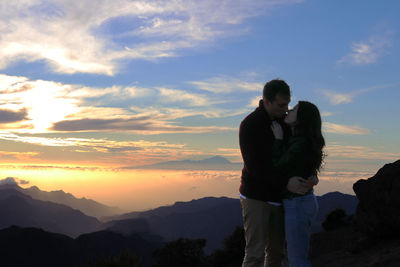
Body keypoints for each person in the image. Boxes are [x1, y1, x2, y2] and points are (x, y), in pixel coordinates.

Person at [239, 79, 315, 267]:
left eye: (288, 104)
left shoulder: (285, 122)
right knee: (254, 254)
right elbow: (255, 167)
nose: (286, 109)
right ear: (266, 101)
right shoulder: (250, 125)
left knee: (276, 254)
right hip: (256, 197)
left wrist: (311, 174)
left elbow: (295, 153)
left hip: (281, 199)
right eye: (281, 105)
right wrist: (285, 183)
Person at [270, 101, 325, 267]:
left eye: (293, 110)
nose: (288, 110)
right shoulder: (300, 140)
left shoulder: (300, 144)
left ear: (301, 119)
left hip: (297, 203)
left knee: (297, 260)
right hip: (302, 201)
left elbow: (277, 166)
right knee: (295, 256)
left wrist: (278, 140)